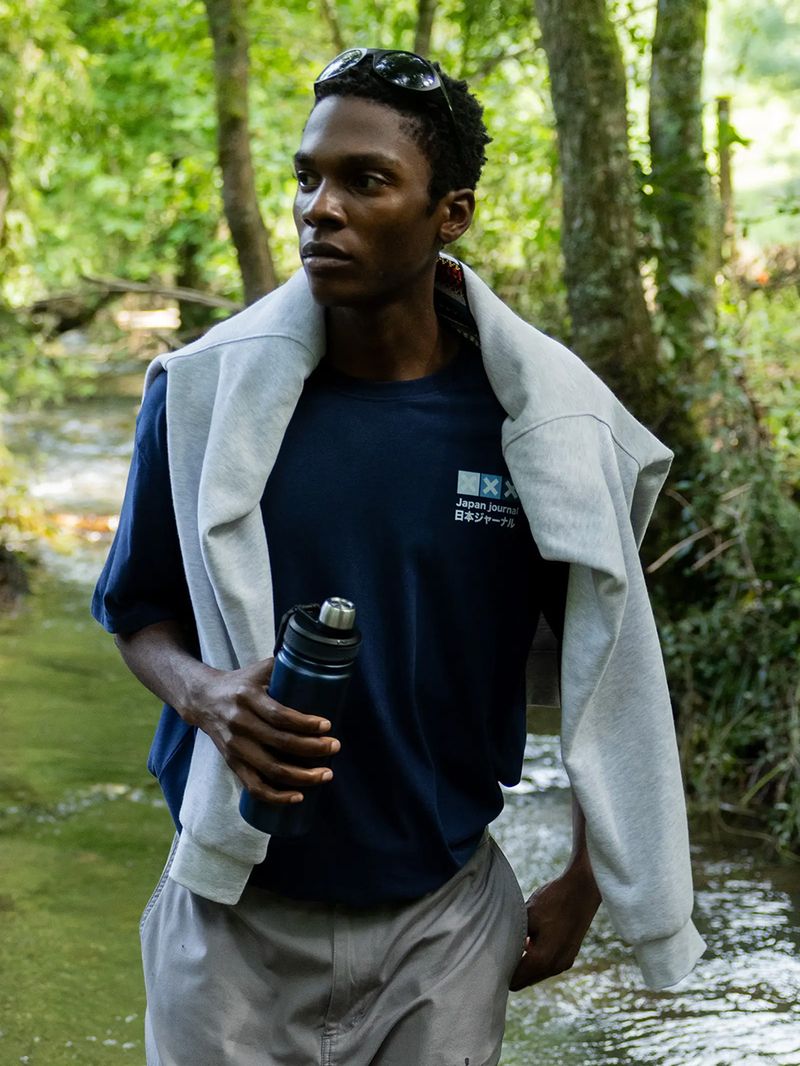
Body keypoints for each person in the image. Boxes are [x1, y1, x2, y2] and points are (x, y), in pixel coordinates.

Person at [92, 47, 705, 1066]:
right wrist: (207, 697)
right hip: (228, 920)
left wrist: (588, 880)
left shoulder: (540, 428)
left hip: (443, 925)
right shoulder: (201, 396)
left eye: (364, 181)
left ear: (449, 214)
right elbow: (136, 612)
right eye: (306, 178)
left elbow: (611, 661)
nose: (319, 209)